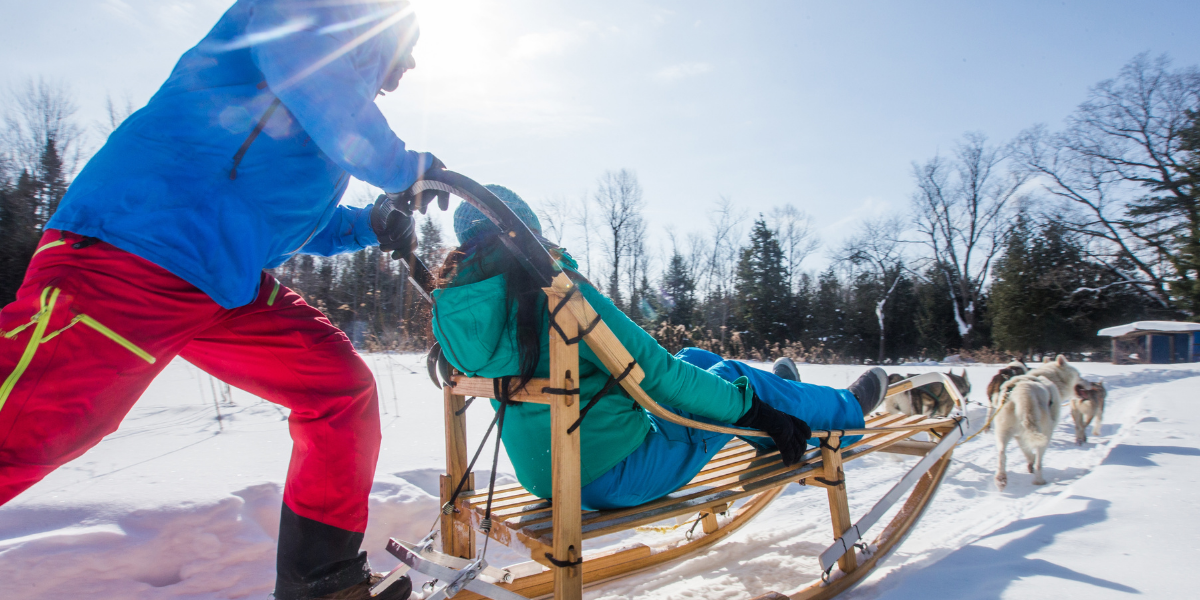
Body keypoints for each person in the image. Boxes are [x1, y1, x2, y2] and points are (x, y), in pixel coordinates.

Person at [0, 2, 443, 598]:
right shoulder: (310, 21)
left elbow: (289, 218)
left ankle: (321, 583)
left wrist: (369, 224)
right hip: (136, 248)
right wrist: (403, 167)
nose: (411, 66)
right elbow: (314, 79)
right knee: (28, 432)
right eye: (409, 48)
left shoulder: (325, 118)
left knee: (339, 390)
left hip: (222, 283)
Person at [430, 186, 890, 510]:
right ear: (529, 232)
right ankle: (845, 410)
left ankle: (778, 399)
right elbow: (661, 376)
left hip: (545, 473)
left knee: (698, 360)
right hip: (616, 473)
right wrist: (755, 411)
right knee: (734, 381)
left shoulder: (461, 316)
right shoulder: (559, 296)